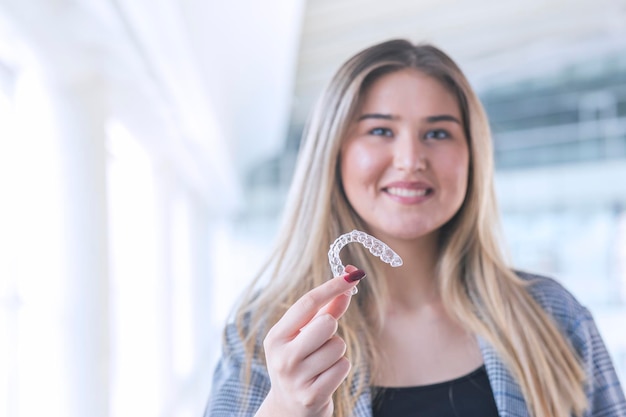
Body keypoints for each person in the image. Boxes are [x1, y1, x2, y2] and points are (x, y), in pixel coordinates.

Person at [205, 39, 626, 417]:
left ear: (473, 156)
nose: (410, 159)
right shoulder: (260, 337)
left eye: (438, 133)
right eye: (381, 130)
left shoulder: (553, 316)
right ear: (334, 153)